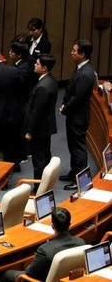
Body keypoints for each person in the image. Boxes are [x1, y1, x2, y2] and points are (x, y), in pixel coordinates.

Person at [2, 208, 84, 282]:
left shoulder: (45, 250)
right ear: (69, 224)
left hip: (39, 279)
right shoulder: (81, 243)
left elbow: (30, 274)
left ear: (52, 225)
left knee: (4, 273)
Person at [59, 40, 97, 190]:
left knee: (78, 149)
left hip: (78, 117)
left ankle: (80, 181)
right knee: (73, 146)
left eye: (74, 51)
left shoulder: (86, 74)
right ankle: (74, 172)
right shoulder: (81, 68)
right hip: (75, 115)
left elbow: (77, 98)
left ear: (82, 54)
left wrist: (64, 108)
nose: (71, 52)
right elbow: (71, 91)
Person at [24, 54, 58, 181]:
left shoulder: (43, 86)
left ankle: (39, 187)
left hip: (39, 129)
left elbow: (37, 112)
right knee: (45, 154)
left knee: (39, 159)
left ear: (44, 68)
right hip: (46, 126)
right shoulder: (51, 80)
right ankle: (47, 182)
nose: (34, 65)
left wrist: (30, 131)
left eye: (37, 64)